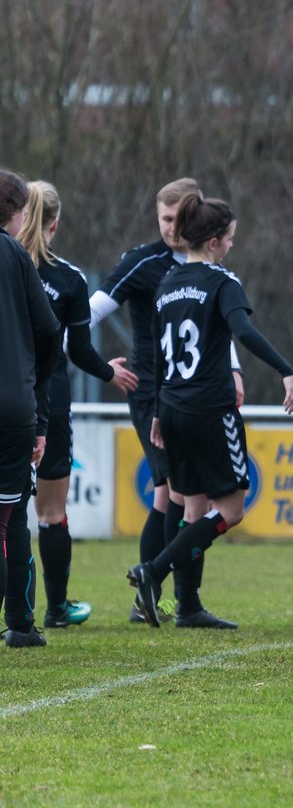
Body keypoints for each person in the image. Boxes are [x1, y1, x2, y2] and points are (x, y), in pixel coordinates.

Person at [127, 194, 293, 628]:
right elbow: (243, 330)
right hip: (210, 408)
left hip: (170, 406)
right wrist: (285, 370)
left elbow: (157, 357)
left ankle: (187, 607)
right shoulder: (222, 281)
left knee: (193, 507)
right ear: (214, 240)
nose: (232, 246)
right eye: (230, 238)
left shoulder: (167, 283)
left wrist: (155, 413)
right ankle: (154, 571)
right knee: (231, 510)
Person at [90, 178, 243, 623]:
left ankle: (182, 601)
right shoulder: (144, 262)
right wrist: (99, 365)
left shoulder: (207, 263)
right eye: (165, 218)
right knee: (167, 492)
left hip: (194, 394)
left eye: (179, 217)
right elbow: (92, 310)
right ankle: (152, 595)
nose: (171, 226)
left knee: (183, 498)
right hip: (152, 392)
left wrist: (233, 369)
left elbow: (218, 323)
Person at [17, 182, 139, 628]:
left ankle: (17, 609)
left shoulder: (5, 267)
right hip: (46, 401)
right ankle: (55, 609)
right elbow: (79, 350)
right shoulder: (67, 278)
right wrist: (111, 373)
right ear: (56, 222)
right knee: (51, 514)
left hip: (5, 396)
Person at [0, 169, 59, 647]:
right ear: (17, 215)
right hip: (12, 408)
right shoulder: (16, 256)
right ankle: (20, 623)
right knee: (10, 516)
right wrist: (35, 403)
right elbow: (49, 330)